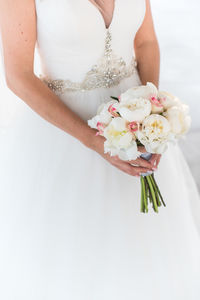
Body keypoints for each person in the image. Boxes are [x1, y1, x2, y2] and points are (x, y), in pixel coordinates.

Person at [0, 0, 199, 299]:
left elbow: (145, 42)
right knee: (75, 252)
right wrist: (93, 139)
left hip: (135, 125)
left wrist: (150, 113)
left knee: (142, 246)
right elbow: (18, 76)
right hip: (64, 133)